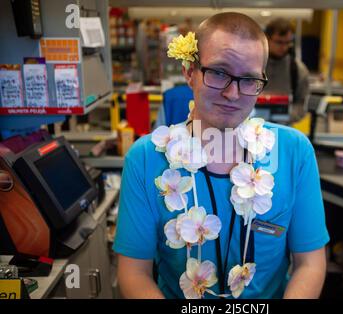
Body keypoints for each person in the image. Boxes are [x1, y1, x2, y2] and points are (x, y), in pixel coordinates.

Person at [113, 12, 329, 299]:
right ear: (190, 72)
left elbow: (310, 263)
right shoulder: (145, 158)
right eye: (218, 72)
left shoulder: (293, 152)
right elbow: (133, 273)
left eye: (249, 79)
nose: (232, 93)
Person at [264, 18, 310, 123]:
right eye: (279, 42)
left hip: (283, 129)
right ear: (266, 38)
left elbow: (301, 105)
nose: (284, 47)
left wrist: (282, 117)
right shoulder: (251, 64)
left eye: (288, 42)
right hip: (249, 127)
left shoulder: (298, 70)